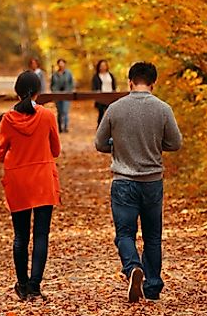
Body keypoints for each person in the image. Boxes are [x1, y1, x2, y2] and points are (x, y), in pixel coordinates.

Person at [94, 61, 182, 303]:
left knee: (125, 234)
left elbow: (100, 143)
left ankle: (133, 266)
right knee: (153, 236)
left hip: (123, 181)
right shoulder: (163, 109)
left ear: (130, 82)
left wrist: (117, 144)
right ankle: (152, 287)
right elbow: (175, 143)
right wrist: (155, 145)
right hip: (152, 182)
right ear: (153, 83)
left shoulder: (115, 109)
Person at [0, 70, 61, 301]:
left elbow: (0, 153)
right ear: (38, 92)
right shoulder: (47, 115)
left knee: (20, 236)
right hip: (43, 179)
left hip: (18, 181)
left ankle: (22, 285)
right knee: (41, 235)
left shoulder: (7, 119)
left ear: (16, 92)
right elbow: (56, 150)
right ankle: (35, 286)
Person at [50, 58, 75, 133]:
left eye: (62, 63)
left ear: (64, 64)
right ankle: (60, 127)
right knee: (60, 112)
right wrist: (54, 91)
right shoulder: (55, 74)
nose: (61, 65)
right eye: (59, 63)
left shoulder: (68, 73)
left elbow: (72, 83)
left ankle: (65, 127)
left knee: (65, 111)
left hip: (66, 95)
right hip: (57, 95)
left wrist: (70, 91)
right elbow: (52, 85)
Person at [91, 59, 117, 125]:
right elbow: (94, 87)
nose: (103, 67)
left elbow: (114, 85)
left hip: (110, 97)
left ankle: (111, 128)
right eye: (101, 65)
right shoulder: (96, 76)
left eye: (104, 65)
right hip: (101, 97)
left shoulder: (110, 75)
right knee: (101, 114)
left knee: (111, 113)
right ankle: (100, 129)